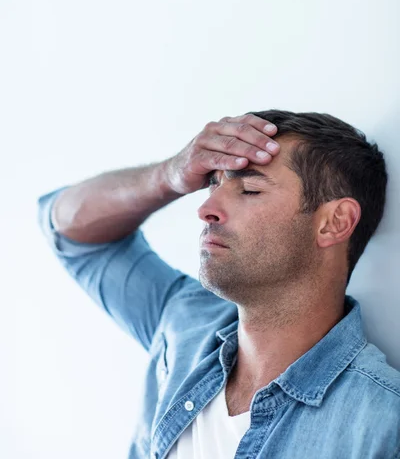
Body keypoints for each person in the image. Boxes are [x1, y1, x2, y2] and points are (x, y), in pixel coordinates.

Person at [37, 109, 400, 459]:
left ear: (334, 223)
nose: (206, 208)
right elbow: (69, 232)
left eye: (250, 191)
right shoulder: (185, 322)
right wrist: (168, 176)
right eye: (214, 184)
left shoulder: (382, 425)